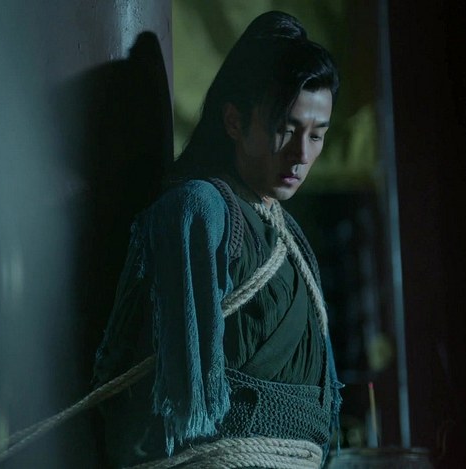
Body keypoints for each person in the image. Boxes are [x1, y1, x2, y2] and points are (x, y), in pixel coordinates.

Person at [91, 10, 343, 468]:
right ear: (233, 121)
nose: (301, 154)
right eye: (285, 129)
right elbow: (176, 405)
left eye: (317, 135)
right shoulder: (200, 208)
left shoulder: (288, 234)